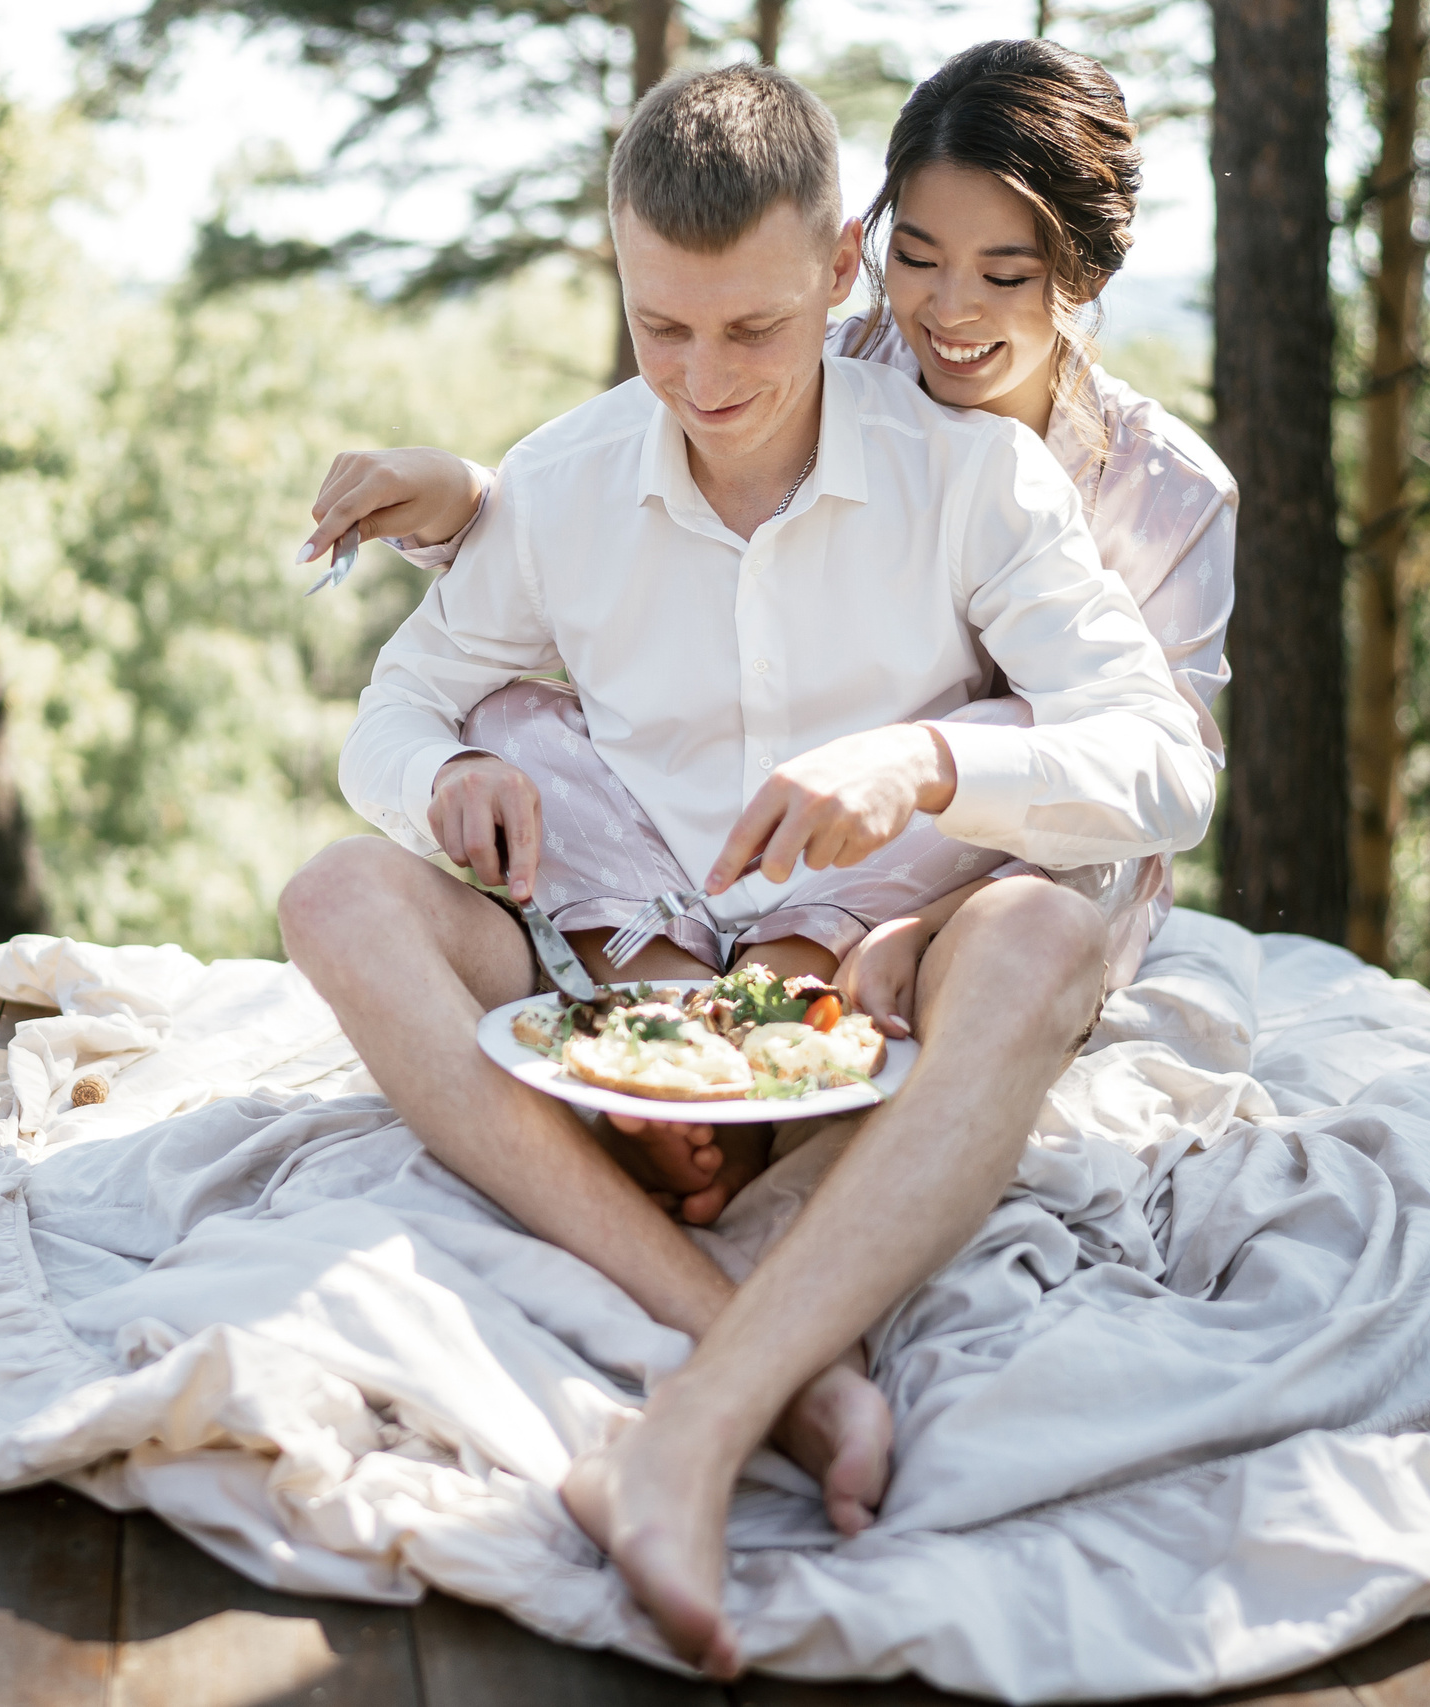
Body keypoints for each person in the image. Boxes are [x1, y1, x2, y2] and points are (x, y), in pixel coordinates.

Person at [276, 63, 1211, 1678]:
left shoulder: (978, 477)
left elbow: (1169, 762)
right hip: (616, 954)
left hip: (864, 972)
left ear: (833, 277)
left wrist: (927, 762)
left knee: (1043, 946)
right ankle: (779, 1364)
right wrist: (447, 778)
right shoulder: (565, 482)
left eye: (754, 332)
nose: (704, 382)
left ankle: (692, 1426)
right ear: (622, 281)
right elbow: (400, 707)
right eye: (661, 329)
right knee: (329, 898)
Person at [304, 44, 1236, 1218]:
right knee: (500, 721)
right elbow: (584, 528)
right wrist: (448, 736)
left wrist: (927, 789)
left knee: (996, 736)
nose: (704, 382)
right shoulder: (687, 415)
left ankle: (774, 1035)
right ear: (873, 259)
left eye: (1002, 274)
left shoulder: (1031, 475)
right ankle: (667, 1033)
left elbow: (1158, 773)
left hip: (979, 857)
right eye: (922, 259)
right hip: (646, 886)